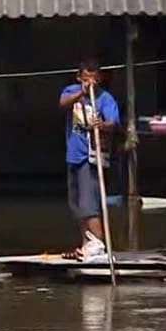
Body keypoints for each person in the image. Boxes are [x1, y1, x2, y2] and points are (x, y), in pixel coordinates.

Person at [59, 57, 119, 260]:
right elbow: (62, 103)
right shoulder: (71, 92)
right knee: (76, 206)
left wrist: (102, 124)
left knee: (88, 205)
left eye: (94, 80)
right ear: (79, 78)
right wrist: (81, 93)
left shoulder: (105, 99)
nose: (90, 84)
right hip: (73, 155)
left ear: (99, 79)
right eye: (86, 80)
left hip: (91, 157)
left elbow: (113, 123)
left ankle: (99, 246)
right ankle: (87, 245)